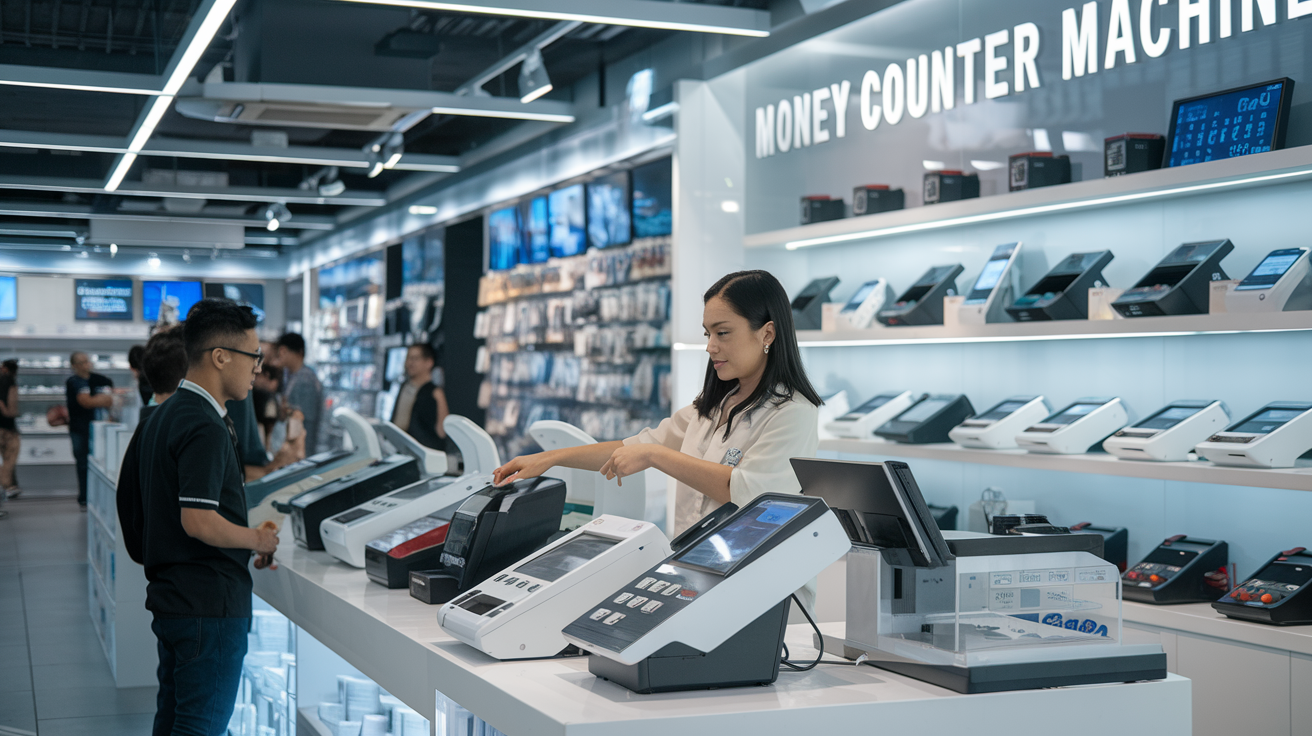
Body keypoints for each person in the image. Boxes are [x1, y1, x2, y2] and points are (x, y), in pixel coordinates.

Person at [493, 270, 824, 605]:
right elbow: (630, 448)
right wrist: (548, 459)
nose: (711, 346)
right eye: (708, 333)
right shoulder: (713, 406)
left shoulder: (793, 412)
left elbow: (746, 493)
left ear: (767, 332)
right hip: (700, 581)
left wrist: (656, 456)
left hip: (760, 594)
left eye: (723, 333)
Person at [129, 298, 278, 736]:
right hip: (207, 606)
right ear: (220, 356)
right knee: (200, 728)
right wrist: (257, 540)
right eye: (253, 356)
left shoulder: (164, 414)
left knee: (174, 719)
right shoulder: (204, 424)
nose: (257, 368)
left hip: (176, 598)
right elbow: (198, 520)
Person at [67, 352, 114, 509]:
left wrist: (97, 400)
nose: (85, 365)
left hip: (99, 430)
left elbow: (109, 399)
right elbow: (85, 402)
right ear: (73, 366)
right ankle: (85, 497)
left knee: (101, 463)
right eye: (80, 362)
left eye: (86, 361)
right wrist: (99, 400)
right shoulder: (73, 382)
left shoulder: (100, 379)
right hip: (79, 430)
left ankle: (98, 497)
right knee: (82, 463)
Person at [390, 343, 449, 450]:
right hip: (401, 450)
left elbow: (442, 430)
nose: (410, 363)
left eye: (415, 358)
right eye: (408, 358)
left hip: (424, 453)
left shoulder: (435, 393)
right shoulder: (404, 388)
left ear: (429, 362)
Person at [276, 333, 323, 455]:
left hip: (303, 449)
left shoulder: (305, 378)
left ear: (299, 352)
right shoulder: (292, 375)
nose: (280, 354)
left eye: (284, 350)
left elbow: (306, 421)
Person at [0, 359, 20, 499]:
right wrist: (9, 413)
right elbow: (6, 404)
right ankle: (7, 484)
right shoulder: (8, 381)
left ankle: (10, 485)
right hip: (6, 427)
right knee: (10, 457)